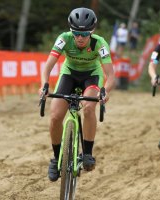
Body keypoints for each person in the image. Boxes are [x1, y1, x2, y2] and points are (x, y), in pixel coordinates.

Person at [40, 7, 115, 182]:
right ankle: (57, 158)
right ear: (70, 30)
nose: (80, 38)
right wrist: (44, 84)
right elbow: (48, 66)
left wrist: (105, 91)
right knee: (55, 117)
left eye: (85, 33)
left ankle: (87, 153)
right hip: (69, 74)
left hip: (91, 76)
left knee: (89, 108)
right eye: (76, 33)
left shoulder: (100, 43)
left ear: (92, 31)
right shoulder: (64, 39)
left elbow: (111, 76)